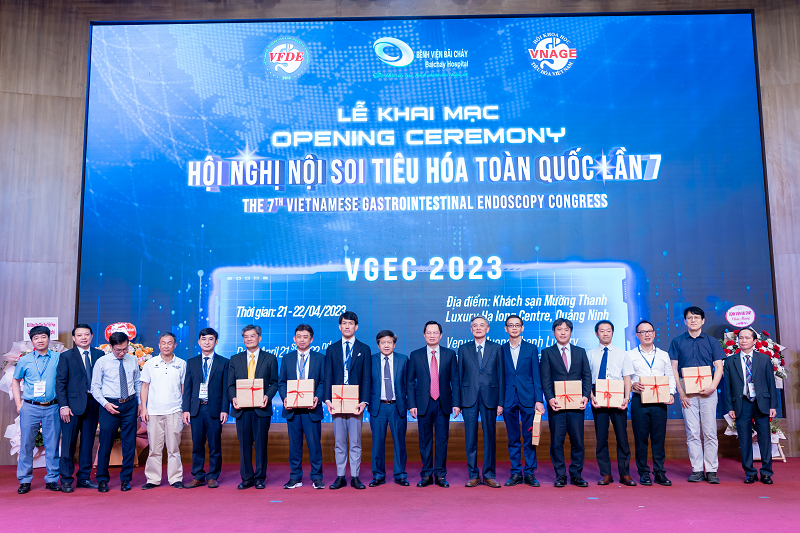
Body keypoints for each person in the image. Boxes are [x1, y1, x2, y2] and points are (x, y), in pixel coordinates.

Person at [669, 306, 725, 484]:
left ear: (703, 320)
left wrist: (713, 387)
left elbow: (719, 367)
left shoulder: (712, 341)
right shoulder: (677, 341)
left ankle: (712, 470)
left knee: (710, 432)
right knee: (692, 432)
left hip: (709, 390)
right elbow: (673, 369)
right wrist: (681, 392)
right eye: (690, 318)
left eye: (696, 317)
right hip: (687, 392)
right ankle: (697, 469)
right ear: (685, 321)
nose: (693, 320)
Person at [540, 318, 592, 488]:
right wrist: (549, 398)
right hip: (557, 404)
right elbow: (545, 378)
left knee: (577, 441)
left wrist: (585, 396)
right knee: (557, 441)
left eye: (566, 329)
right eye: (559, 329)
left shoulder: (580, 351)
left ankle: (576, 475)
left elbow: (587, 376)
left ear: (571, 332)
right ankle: (560, 475)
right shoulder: (547, 352)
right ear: (553, 332)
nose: (563, 332)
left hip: (577, 404)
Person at [408, 321, 460, 488]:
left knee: (442, 439)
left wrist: (456, 403)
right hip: (423, 403)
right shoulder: (415, 355)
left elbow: (455, 380)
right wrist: (412, 404)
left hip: (443, 402)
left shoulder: (449, 354)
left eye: (435, 332)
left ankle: (440, 475)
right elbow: (410, 382)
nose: (432, 335)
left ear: (441, 335)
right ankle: (426, 474)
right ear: (424, 335)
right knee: (424, 440)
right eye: (429, 333)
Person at [723, 327, 778, 484]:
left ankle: (766, 473)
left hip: (762, 403)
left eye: (747, 338)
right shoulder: (730, 361)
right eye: (741, 338)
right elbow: (728, 387)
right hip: (742, 403)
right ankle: (750, 472)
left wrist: (773, 405)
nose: (743, 340)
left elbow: (771, 383)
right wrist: (730, 407)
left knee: (764, 439)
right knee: (744, 439)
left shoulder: (764, 359)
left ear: (754, 341)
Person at [227, 324, 279, 489]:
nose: (249, 339)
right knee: (244, 445)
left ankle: (259, 478)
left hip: (261, 409)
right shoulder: (235, 359)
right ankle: (246, 478)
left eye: (252, 336)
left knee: (261, 444)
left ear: (259, 338)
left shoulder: (270, 358)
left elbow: (274, 383)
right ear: (243, 339)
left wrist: (267, 396)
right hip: (241, 409)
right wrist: (233, 398)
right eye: (246, 337)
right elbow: (230, 385)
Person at [325, 311, 371, 490]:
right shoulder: (332, 349)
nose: (347, 326)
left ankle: (355, 477)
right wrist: (327, 400)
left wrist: (364, 401)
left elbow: (366, 377)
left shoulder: (364, 349)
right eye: (344, 323)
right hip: (337, 401)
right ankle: (340, 476)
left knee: (355, 441)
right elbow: (328, 376)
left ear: (356, 327)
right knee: (339, 441)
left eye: (350, 323)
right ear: (339, 326)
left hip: (355, 402)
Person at [12, 325, 62, 494]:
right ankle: (24, 480)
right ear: (31, 341)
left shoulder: (58, 358)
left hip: (52, 406)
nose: (40, 340)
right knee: (26, 444)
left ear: (49, 338)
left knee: (52, 444)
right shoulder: (25, 360)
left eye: (43, 337)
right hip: (30, 407)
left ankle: (52, 479)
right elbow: (15, 380)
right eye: (36, 338)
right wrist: (18, 404)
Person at [56, 324, 104, 492]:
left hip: (93, 404)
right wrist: (63, 406)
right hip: (71, 407)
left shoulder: (99, 355)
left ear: (91, 336)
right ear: (74, 338)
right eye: (79, 335)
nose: (83, 337)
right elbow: (60, 383)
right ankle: (66, 479)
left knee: (87, 444)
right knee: (68, 443)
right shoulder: (66, 356)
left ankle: (84, 478)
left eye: (86, 334)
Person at [91, 331, 141, 492]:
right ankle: (102, 479)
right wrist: (106, 404)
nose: (122, 353)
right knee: (106, 443)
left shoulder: (132, 359)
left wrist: (140, 404)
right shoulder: (102, 362)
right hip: (109, 405)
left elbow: (137, 382)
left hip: (130, 404)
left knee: (129, 443)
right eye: (118, 350)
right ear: (111, 347)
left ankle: (126, 479)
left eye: (125, 349)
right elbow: (95, 387)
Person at [627, 320, 676, 486]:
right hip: (639, 400)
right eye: (643, 332)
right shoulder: (630, 355)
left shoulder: (663, 354)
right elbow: (624, 377)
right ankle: (644, 473)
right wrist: (633, 385)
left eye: (649, 331)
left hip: (659, 400)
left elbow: (670, 376)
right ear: (637, 335)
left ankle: (660, 472)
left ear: (654, 334)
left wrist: (671, 393)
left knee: (658, 438)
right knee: (640, 438)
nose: (647, 334)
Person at [588, 320, 636, 486]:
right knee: (601, 437)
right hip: (598, 396)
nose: (605, 333)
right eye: (602, 331)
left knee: (622, 436)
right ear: (597, 334)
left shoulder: (623, 354)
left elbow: (627, 377)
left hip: (618, 395)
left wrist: (627, 398)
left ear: (612, 333)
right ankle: (606, 474)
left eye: (608, 330)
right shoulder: (590, 354)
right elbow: (586, 378)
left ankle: (625, 474)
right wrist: (591, 396)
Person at [458, 316, 504, 488]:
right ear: (471, 329)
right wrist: (458, 402)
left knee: (489, 438)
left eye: (482, 325)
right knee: (470, 438)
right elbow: (459, 376)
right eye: (475, 326)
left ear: (487, 329)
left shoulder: (497, 348)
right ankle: (473, 475)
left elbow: (501, 376)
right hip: (468, 398)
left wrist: (501, 402)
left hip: (490, 398)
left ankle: (489, 475)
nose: (478, 328)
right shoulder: (463, 348)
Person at [278, 324, 325, 490]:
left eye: (305, 337)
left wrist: (318, 397)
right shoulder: (287, 358)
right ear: (294, 339)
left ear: (311, 339)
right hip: (293, 409)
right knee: (294, 446)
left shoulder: (320, 358)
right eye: (299, 336)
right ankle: (295, 477)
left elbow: (323, 382)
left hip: (312, 409)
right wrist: (285, 398)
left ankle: (317, 477)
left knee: (314, 446)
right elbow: (281, 382)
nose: (302, 340)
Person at [500, 315, 545, 487]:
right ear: (506, 329)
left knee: (529, 437)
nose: (514, 328)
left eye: (517, 325)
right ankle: (516, 472)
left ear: (522, 328)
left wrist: (538, 399)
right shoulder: (501, 349)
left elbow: (536, 376)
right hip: (508, 399)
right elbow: (499, 377)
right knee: (513, 438)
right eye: (511, 325)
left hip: (528, 398)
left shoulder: (531, 348)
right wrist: (500, 402)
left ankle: (530, 472)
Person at [182, 327, 229, 488]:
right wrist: (186, 409)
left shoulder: (224, 362)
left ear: (215, 342)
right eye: (204, 339)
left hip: (214, 409)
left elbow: (226, 388)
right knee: (197, 444)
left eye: (210, 339)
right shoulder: (192, 362)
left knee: (214, 444)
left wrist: (225, 409)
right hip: (196, 409)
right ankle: (198, 475)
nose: (207, 342)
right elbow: (187, 388)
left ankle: (213, 476)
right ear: (199, 342)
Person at [140, 332, 187, 489]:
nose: (166, 346)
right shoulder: (150, 363)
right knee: (154, 448)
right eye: (163, 343)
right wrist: (144, 408)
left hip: (174, 411)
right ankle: (152, 479)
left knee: (174, 448)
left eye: (169, 343)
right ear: (159, 345)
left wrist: (183, 409)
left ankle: (175, 478)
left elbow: (184, 388)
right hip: (153, 412)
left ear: (175, 345)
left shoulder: (181, 364)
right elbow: (144, 386)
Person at [368, 330, 409, 487]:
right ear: (378, 345)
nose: (386, 345)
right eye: (383, 342)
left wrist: (410, 404)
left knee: (399, 442)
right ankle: (378, 475)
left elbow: (409, 384)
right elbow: (366, 383)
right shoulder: (371, 360)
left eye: (389, 342)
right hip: (378, 407)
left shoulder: (403, 360)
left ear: (394, 344)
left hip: (397, 406)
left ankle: (400, 475)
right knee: (377, 443)